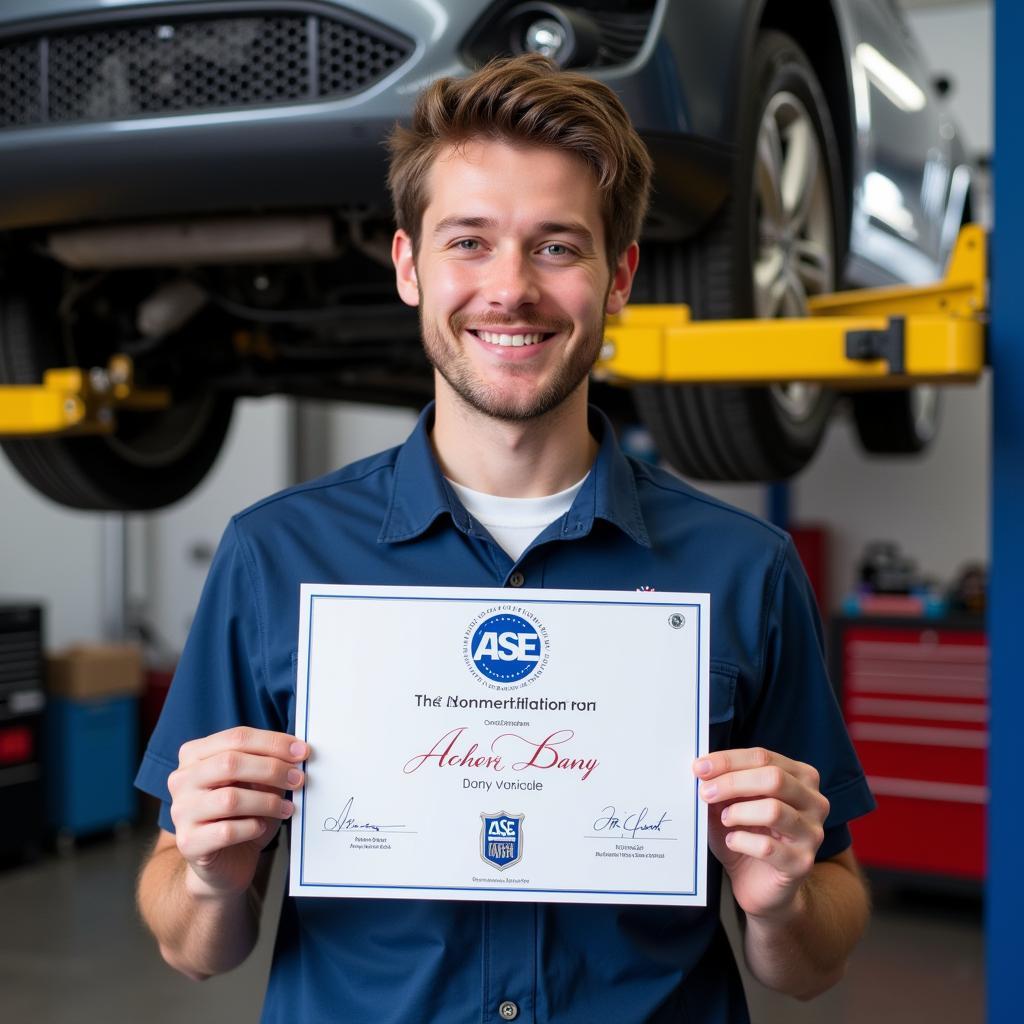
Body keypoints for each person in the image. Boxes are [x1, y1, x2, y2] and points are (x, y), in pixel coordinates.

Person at [136, 53, 873, 1023]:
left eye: (558, 247)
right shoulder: (275, 557)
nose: (510, 288)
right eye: (469, 242)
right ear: (409, 266)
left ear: (618, 279)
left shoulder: (741, 571)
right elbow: (191, 946)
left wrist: (781, 903)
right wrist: (205, 878)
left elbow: (813, 953)